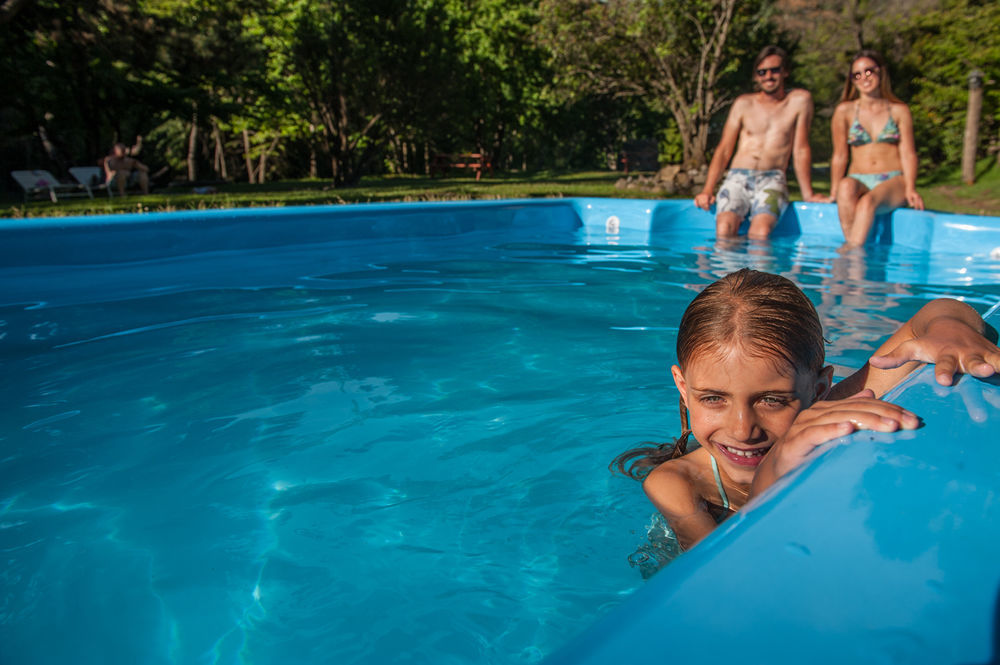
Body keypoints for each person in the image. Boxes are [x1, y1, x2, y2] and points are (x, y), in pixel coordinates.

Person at [611, 268, 1000, 551]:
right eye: (713, 398)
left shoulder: (826, 411)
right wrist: (777, 464)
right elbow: (729, 575)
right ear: (683, 387)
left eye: (772, 400)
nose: (743, 428)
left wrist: (951, 328)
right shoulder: (675, 487)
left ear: (818, 388)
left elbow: (934, 314)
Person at [694, 46, 824, 239]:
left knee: (761, 233)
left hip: (772, 177)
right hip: (737, 177)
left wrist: (808, 194)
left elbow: (801, 149)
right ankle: (726, 270)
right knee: (724, 229)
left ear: (785, 72)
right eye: (762, 72)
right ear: (756, 76)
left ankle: (759, 270)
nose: (768, 76)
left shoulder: (798, 101)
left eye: (775, 70)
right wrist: (707, 189)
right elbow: (724, 150)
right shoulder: (744, 103)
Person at [829, 50, 923, 247]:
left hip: (892, 178)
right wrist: (834, 189)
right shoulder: (844, 111)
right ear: (852, 80)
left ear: (881, 72)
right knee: (845, 188)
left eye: (869, 71)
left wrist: (911, 187)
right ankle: (854, 250)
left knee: (866, 203)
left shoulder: (899, 110)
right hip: (858, 178)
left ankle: (848, 256)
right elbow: (839, 155)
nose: (864, 78)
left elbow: (908, 153)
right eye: (858, 74)